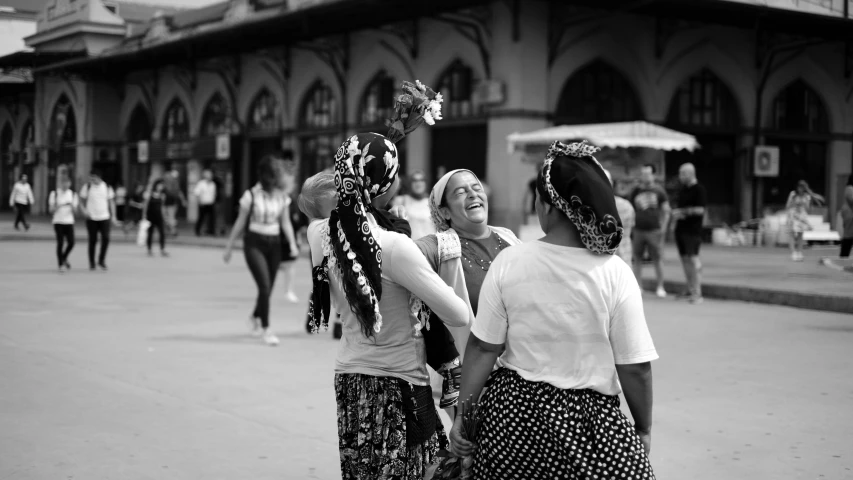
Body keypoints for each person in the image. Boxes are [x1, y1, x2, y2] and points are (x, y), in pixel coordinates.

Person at [449, 140, 657, 479]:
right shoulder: (615, 271)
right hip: (592, 421)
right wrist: (643, 427)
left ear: (546, 206)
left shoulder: (510, 261)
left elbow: (484, 347)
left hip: (512, 417)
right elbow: (635, 367)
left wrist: (463, 415)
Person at [307, 132, 469, 479]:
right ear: (386, 185)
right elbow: (459, 314)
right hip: (400, 388)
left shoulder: (320, 234)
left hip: (351, 382)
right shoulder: (395, 247)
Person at [416, 169, 521, 416]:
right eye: (460, 192)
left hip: (521, 373)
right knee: (473, 450)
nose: (472, 194)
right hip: (471, 380)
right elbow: (399, 257)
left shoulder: (509, 237)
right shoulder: (437, 246)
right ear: (444, 211)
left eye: (476, 188)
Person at [223, 156, 298, 346]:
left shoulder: (282, 197)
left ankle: (255, 316)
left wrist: (292, 243)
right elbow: (240, 221)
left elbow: (285, 222)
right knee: (264, 286)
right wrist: (229, 246)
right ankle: (266, 329)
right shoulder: (251, 195)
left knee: (268, 288)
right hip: (254, 243)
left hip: (274, 244)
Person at [630, 164, 671, 297]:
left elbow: (666, 211)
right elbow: (630, 208)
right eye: (643, 174)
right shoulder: (636, 191)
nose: (645, 176)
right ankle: (638, 286)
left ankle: (660, 286)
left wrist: (663, 228)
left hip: (654, 230)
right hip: (638, 230)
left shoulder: (659, 191)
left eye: (648, 173)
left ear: (653, 174)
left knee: (657, 258)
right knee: (637, 258)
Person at [672, 163, 707, 304]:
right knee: (685, 260)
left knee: (693, 260)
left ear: (690, 173)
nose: (680, 177)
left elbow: (700, 210)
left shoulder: (699, 190)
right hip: (681, 229)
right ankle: (690, 288)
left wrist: (682, 212)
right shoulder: (683, 190)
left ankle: (697, 293)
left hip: (693, 231)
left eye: (682, 174)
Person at [79, 170, 119, 271]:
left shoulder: (107, 187)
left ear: (99, 177)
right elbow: (80, 201)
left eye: (94, 178)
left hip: (104, 217)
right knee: (92, 240)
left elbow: (111, 202)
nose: (92, 180)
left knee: (106, 238)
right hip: (91, 217)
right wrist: (84, 211)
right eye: (91, 178)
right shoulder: (87, 187)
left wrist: (113, 216)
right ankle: (92, 262)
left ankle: (101, 260)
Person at [786, 180, 825, 262]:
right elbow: (788, 205)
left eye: (803, 187)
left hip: (802, 216)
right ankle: (793, 253)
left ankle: (799, 252)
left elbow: (808, 209)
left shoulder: (807, 196)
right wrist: (794, 203)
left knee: (800, 234)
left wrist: (806, 202)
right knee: (792, 233)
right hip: (793, 214)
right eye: (800, 187)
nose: (801, 189)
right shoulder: (793, 194)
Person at [277, 169, 300, 303]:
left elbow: (295, 222)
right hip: (276, 235)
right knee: (275, 265)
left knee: (290, 264)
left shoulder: (290, 200)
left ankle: (288, 291)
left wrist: (296, 239)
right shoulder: (278, 197)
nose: (294, 185)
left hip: (288, 236)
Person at [392, 170, 435, 240]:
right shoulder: (401, 200)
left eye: (421, 180)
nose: (418, 183)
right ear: (409, 183)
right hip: (410, 246)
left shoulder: (432, 202)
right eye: (414, 180)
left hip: (430, 247)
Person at [605, 169, 635, 264]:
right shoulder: (626, 205)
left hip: (606, 259)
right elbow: (631, 227)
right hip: (624, 255)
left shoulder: (593, 208)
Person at [48, 177, 78, 273]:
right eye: (63, 183)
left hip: (69, 221)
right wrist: (59, 205)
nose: (65, 185)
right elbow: (51, 210)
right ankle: (60, 264)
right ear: (60, 184)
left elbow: (75, 211)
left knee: (71, 242)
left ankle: (64, 257)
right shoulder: (54, 194)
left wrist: (72, 207)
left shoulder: (73, 194)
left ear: (70, 184)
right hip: (58, 221)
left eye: (67, 183)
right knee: (60, 242)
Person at [143, 179, 169, 257]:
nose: (161, 187)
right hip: (150, 216)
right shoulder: (149, 194)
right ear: (156, 185)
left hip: (159, 217)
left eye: (162, 185)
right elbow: (145, 205)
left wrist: (165, 217)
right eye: (160, 185)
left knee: (162, 233)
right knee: (150, 233)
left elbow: (163, 207)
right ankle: (149, 249)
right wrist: (144, 215)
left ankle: (162, 249)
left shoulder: (162, 195)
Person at [162, 166, 186, 236]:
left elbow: (179, 192)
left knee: (171, 218)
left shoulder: (175, 184)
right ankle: (169, 230)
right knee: (166, 218)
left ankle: (173, 231)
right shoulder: (163, 184)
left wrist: (183, 200)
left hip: (171, 203)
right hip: (164, 204)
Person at [194, 168, 217, 236]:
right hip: (203, 203)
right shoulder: (201, 183)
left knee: (212, 218)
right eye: (208, 175)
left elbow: (214, 194)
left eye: (211, 175)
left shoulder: (213, 184)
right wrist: (199, 202)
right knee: (201, 218)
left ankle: (211, 231)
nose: (210, 176)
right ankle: (197, 231)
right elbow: (197, 193)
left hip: (211, 203)